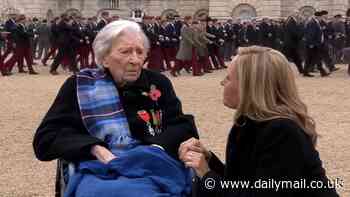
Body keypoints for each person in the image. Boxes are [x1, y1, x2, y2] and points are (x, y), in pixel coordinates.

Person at [33, 20, 198, 197]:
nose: (135, 60)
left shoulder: (157, 83)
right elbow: (46, 138)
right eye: (125, 52)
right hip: (103, 171)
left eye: (140, 52)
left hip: (154, 166)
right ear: (104, 58)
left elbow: (183, 126)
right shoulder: (80, 86)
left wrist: (155, 148)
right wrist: (95, 148)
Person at [179, 46, 339, 197]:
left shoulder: (283, 131)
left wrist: (206, 175)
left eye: (228, 78)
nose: (223, 83)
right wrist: (208, 160)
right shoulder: (248, 121)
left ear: (249, 86)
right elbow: (241, 183)